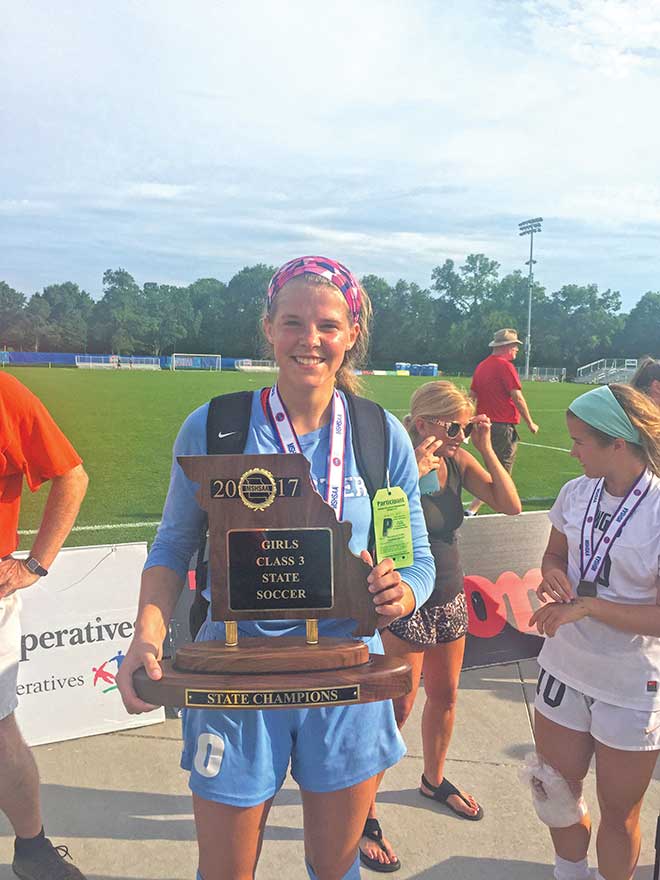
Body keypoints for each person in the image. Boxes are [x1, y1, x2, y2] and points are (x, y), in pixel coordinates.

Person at [117, 255, 435, 880]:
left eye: (328, 325)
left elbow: (415, 559)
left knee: (335, 869)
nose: (309, 339)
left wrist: (403, 593)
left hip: (346, 671)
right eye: (292, 322)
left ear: (351, 334)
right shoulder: (216, 426)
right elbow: (172, 546)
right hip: (234, 672)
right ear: (268, 328)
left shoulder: (380, 434)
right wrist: (145, 637)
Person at [360, 380, 521, 872]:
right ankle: (363, 810)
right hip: (404, 599)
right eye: (455, 428)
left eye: (466, 428)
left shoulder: (459, 461)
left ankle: (433, 780)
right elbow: (370, 530)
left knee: (447, 695)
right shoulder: (391, 463)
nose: (461, 437)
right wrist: (408, 477)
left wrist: (487, 447)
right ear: (422, 422)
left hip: (449, 593)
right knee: (397, 709)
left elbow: (510, 505)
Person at [527, 383, 660, 880]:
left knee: (619, 814)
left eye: (580, 441)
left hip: (630, 681)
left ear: (618, 444)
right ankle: (568, 873)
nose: (572, 451)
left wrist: (589, 608)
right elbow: (554, 555)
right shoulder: (575, 492)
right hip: (566, 665)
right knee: (554, 791)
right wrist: (552, 574)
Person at [0, 372, 89, 880]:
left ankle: (32, 847)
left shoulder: (4, 394)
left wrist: (35, 565)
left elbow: (72, 476)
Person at [465, 328, 538, 516]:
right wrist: (530, 422)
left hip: (484, 426)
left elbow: (471, 396)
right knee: (501, 473)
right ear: (506, 346)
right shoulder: (505, 367)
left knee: (495, 467)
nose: (517, 350)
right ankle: (477, 508)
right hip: (502, 426)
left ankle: (474, 508)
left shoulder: (481, 366)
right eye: (515, 346)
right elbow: (517, 397)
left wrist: (466, 419)